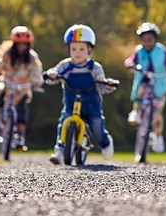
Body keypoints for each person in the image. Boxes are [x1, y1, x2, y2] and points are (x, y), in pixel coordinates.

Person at [45, 24, 119, 164]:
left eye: (81, 49)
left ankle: (105, 143)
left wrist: (107, 84)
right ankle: (59, 152)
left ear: (89, 49)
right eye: (73, 49)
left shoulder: (94, 67)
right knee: (63, 124)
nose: (77, 52)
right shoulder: (65, 66)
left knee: (97, 127)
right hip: (70, 104)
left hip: (91, 105)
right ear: (68, 49)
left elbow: (101, 86)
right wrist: (52, 74)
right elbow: (54, 75)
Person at [124, 22, 166, 153]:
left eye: (150, 40)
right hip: (144, 79)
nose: (147, 43)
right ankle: (135, 112)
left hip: (159, 82)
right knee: (140, 92)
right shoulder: (139, 51)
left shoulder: (162, 51)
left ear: (155, 39)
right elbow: (131, 60)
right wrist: (130, 64)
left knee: (157, 112)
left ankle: (158, 136)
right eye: (144, 40)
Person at [0, 26, 44, 150]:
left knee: (22, 109)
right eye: (19, 44)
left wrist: (36, 82)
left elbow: (36, 71)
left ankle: (20, 136)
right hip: (7, 84)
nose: (22, 47)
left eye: (25, 44)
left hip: (22, 88)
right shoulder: (7, 55)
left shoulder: (32, 58)